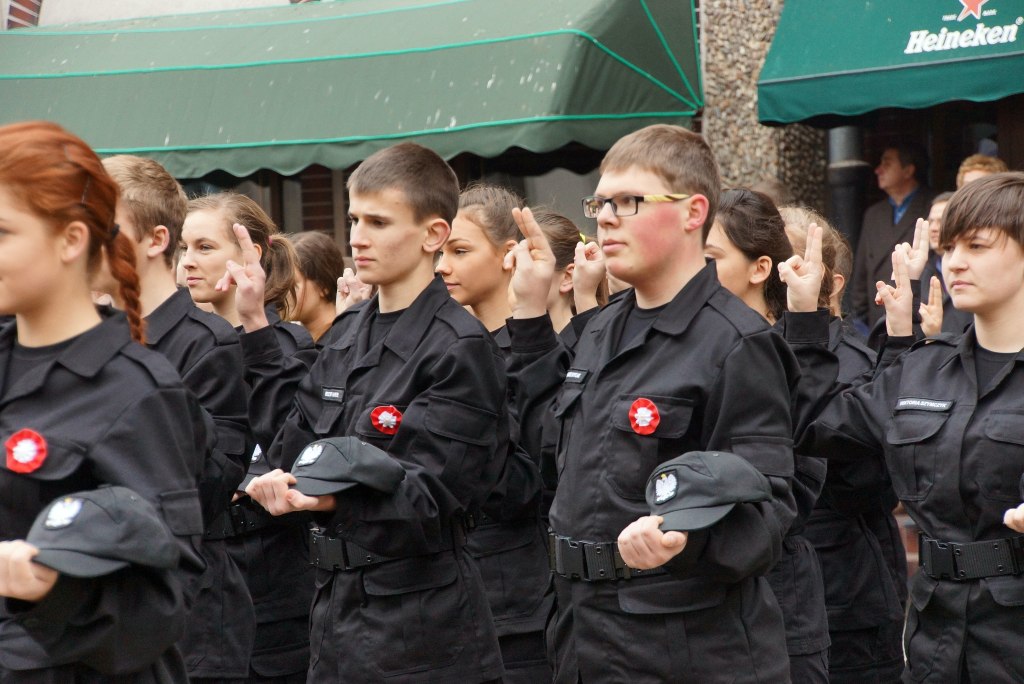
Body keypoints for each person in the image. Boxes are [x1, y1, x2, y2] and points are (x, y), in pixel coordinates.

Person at [507, 124, 797, 683]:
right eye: (601, 202)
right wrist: (527, 314)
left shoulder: (738, 343)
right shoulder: (599, 329)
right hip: (584, 636)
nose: (606, 217)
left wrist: (684, 537)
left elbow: (770, 510)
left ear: (693, 213)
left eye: (630, 202)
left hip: (683, 646)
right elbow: (542, 449)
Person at [237, 142, 510, 683]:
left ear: (433, 234)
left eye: (379, 222)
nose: (357, 237)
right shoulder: (348, 334)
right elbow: (292, 443)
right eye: (355, 218)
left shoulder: (458, 346)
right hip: (335, 614)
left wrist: (332, 495)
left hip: (421, 628)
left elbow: (435, 499)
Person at [787, 172, 1024, 683]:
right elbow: (814, 428)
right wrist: (804, 322)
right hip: (935, 638)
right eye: (951, 245)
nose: (956, 261)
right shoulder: (922, 369)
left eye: (978, 246)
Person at [0, 121, 209, 678]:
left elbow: (168, 603)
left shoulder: (139, 391)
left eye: (1, 231)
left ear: (70, 240)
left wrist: (49, 589)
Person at [96, 154, 257, 682]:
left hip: (187, 615)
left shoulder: (205, 344)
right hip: (96, 609)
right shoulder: (85, 336)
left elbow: (210, 487)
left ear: (155, 240)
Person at [182, 193, 316, 683]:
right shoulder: (182, 345)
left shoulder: (288, 345)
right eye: (183, 247)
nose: (188, 261)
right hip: (201, 583)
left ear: (249, 253)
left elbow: (297, 447)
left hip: (275, 584)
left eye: (204, 246)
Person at [707, 189, 831, 682]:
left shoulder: (787, 352)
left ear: (759, 269)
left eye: (709, 258)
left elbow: (802, 467)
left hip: (779, 598)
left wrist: (804, 323)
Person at [782, 208, 908, 684]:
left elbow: (870, 485)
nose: (780, 275)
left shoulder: (848, 362)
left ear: (831, 284)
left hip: (845, 592)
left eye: (792, 263)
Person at [436, 182, 552, 683]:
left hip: (517, 602)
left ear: (510, 255)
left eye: (460, 251)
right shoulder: (450, 349)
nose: (443, 266)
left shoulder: (535, 347)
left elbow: (533, 474)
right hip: (448, 598)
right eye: (439, 252)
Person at [852, 143, 933, 331]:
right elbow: (862, 271)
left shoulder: (933, 207)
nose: (878, 170)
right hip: (877, 319)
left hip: (919, 318)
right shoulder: (873, 214)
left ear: (908, 170)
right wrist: (861, 316)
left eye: (887, 164)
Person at [918, 192, 974, 337]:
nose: (934, 228)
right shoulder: (922, 271)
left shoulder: (974, 270)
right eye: (931, 222)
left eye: (941, 221)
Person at [291, 231, 345, 342]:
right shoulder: (294, 339)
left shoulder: (341, 340)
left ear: (323, 286)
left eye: (293, 285)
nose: (283, 292)